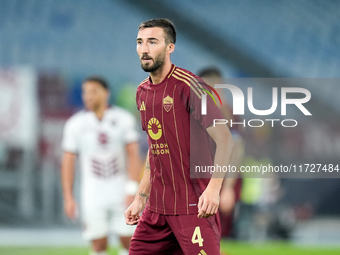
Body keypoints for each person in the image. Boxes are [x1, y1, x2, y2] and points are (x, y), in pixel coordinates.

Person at [124, 19, 234, 255]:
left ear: (170, 47)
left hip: (193, 208)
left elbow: (225, 139)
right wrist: (140, 198)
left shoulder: (191, 87)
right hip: (156, 213)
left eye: (153, 42)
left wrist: (214, 188)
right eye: (140, 42)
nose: (144, 49)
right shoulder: (141, 93)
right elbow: (155, 150)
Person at [61, 76, 141, 255]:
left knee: (130, 241)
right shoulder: (75, 124)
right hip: (92, 194)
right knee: (98, 242)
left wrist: (132, 189)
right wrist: (68, 196)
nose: (88, 96)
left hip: (121, 192)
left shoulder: (123, 119)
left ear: (106, 93)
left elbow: (134, 155)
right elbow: (68, 162)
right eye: (85, 92)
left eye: (93, 91)